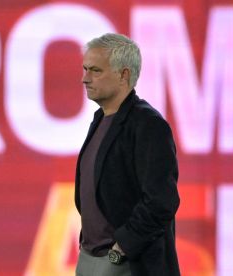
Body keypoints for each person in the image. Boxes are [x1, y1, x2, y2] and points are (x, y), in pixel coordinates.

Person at [74, 33, 180, 276]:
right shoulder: (101, 119)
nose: (85, 78)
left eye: (95, 71)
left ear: (124, 75)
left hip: (129, 264)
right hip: (91, 257)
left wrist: (120, 250)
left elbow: (161, 201)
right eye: (84, 69)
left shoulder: (148, 124)